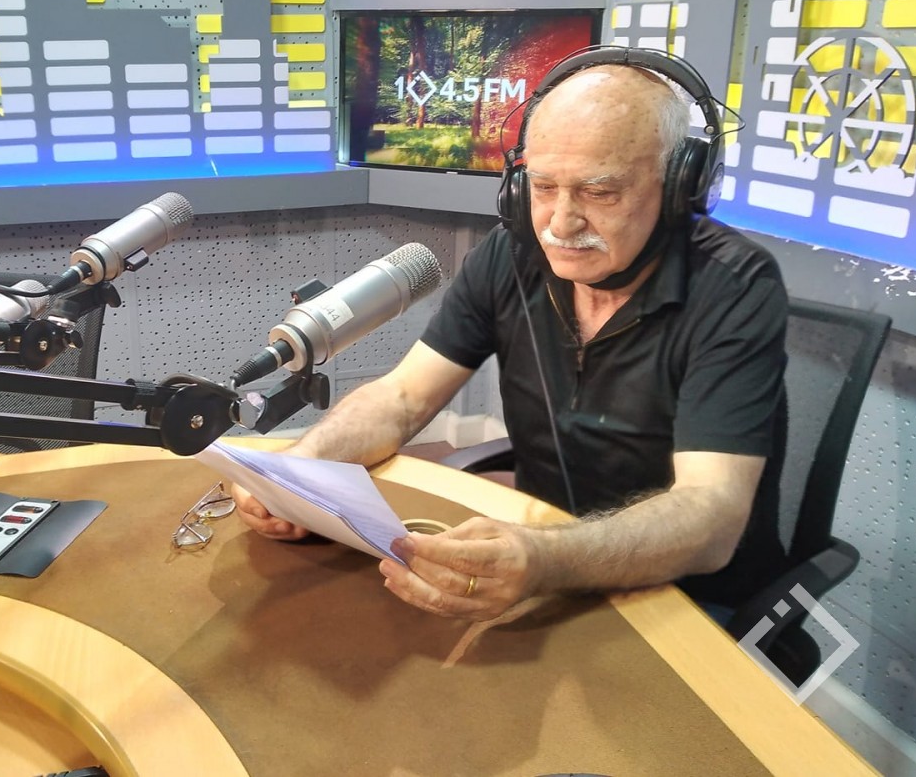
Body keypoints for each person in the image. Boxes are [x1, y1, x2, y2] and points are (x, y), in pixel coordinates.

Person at [232, 58, 788, 624]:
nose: (561, 224)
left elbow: (710, 515)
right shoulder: (510, 254)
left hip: (682, 595)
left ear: (680, 186)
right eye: (542, 187)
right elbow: (402, 398)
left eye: (600, 192)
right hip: (543, 554)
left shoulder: (735, 285)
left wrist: (545, 559)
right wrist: (302, 470)